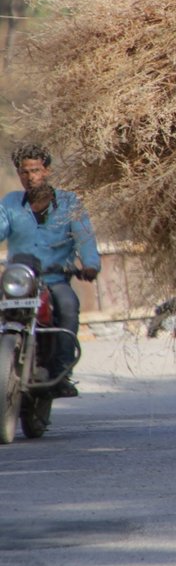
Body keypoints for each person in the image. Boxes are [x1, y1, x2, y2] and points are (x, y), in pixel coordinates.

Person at [0, 144, 100, 398]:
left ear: (46, 171)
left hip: (55, 280)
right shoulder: (10, 204)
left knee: (67, 307)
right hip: (21, 280)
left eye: (35, 170)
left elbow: (84, 237)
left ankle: (62, 372)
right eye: (24, 172)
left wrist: (89, 265)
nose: (30, 177)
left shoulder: (69, 203)